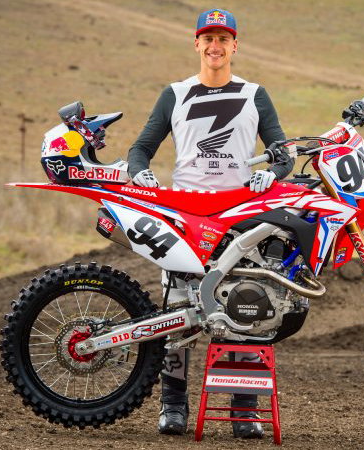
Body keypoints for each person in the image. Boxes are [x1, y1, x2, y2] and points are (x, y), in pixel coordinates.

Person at [126, 8, 294, 439]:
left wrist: (273, 173)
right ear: (196, 44)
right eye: (208, 38)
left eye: (223, 39)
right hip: (186, 216)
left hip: (239, 217)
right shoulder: (175, 93)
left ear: (235, 45)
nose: (215, 46)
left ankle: (244, 411)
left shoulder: (255, 94)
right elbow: (140, 148)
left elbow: (283, 152)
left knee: (245, 307)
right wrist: (139, 173)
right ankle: (173, 406)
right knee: (178, 312)